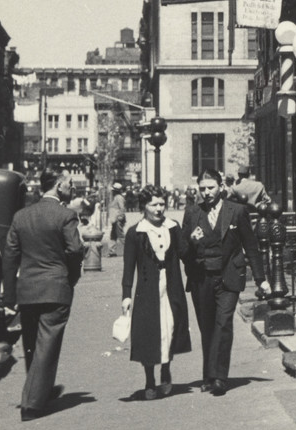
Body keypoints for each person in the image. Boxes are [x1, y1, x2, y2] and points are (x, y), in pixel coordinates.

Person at [2, 167, 84, 421]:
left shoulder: (21, 216)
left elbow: (10, 257)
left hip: (28, 290)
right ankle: (32, 404)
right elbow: (76, 250)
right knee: (47, 345)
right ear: (59, 186)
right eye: (70, 183)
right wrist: (70, 278)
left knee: (31, 344)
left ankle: (43, 390)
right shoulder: (66, 215)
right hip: (55, 288)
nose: (73, 188)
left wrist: (9, 297)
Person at [180, 169, 269, 395]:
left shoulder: (237, 211)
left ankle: (220, 377)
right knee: (207, 327)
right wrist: (191, 241)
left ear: (220, 187)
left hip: (229, 276)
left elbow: (251, 246)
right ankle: (208, 375)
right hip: (201, 278)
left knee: (223, 323)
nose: (206, 192)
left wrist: (261, 279)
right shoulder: (192, 213)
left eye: (210, 187)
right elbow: (182, 250)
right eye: (202, 188)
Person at [121, 185, 191, 400]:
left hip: (171, 288)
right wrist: (126, 295)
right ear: (144, 206)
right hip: (147, 290)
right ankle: (149, 379)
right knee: (149, 332)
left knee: (170, 328)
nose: (159, 209)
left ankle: (166, 369)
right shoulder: (135, 233)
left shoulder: (173, 227)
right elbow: (129, 266)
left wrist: (193, 240)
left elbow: (184, 254)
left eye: (162, 204)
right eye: (154, 204)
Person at [107, 181, 127, 256]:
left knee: (121, 235)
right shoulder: (115, 197)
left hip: (118, 219)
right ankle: (112, 251)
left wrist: (120, 217)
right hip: (115, 220)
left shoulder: (119, 197)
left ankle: (131, 248)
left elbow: (122, 208)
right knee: (113, 235)